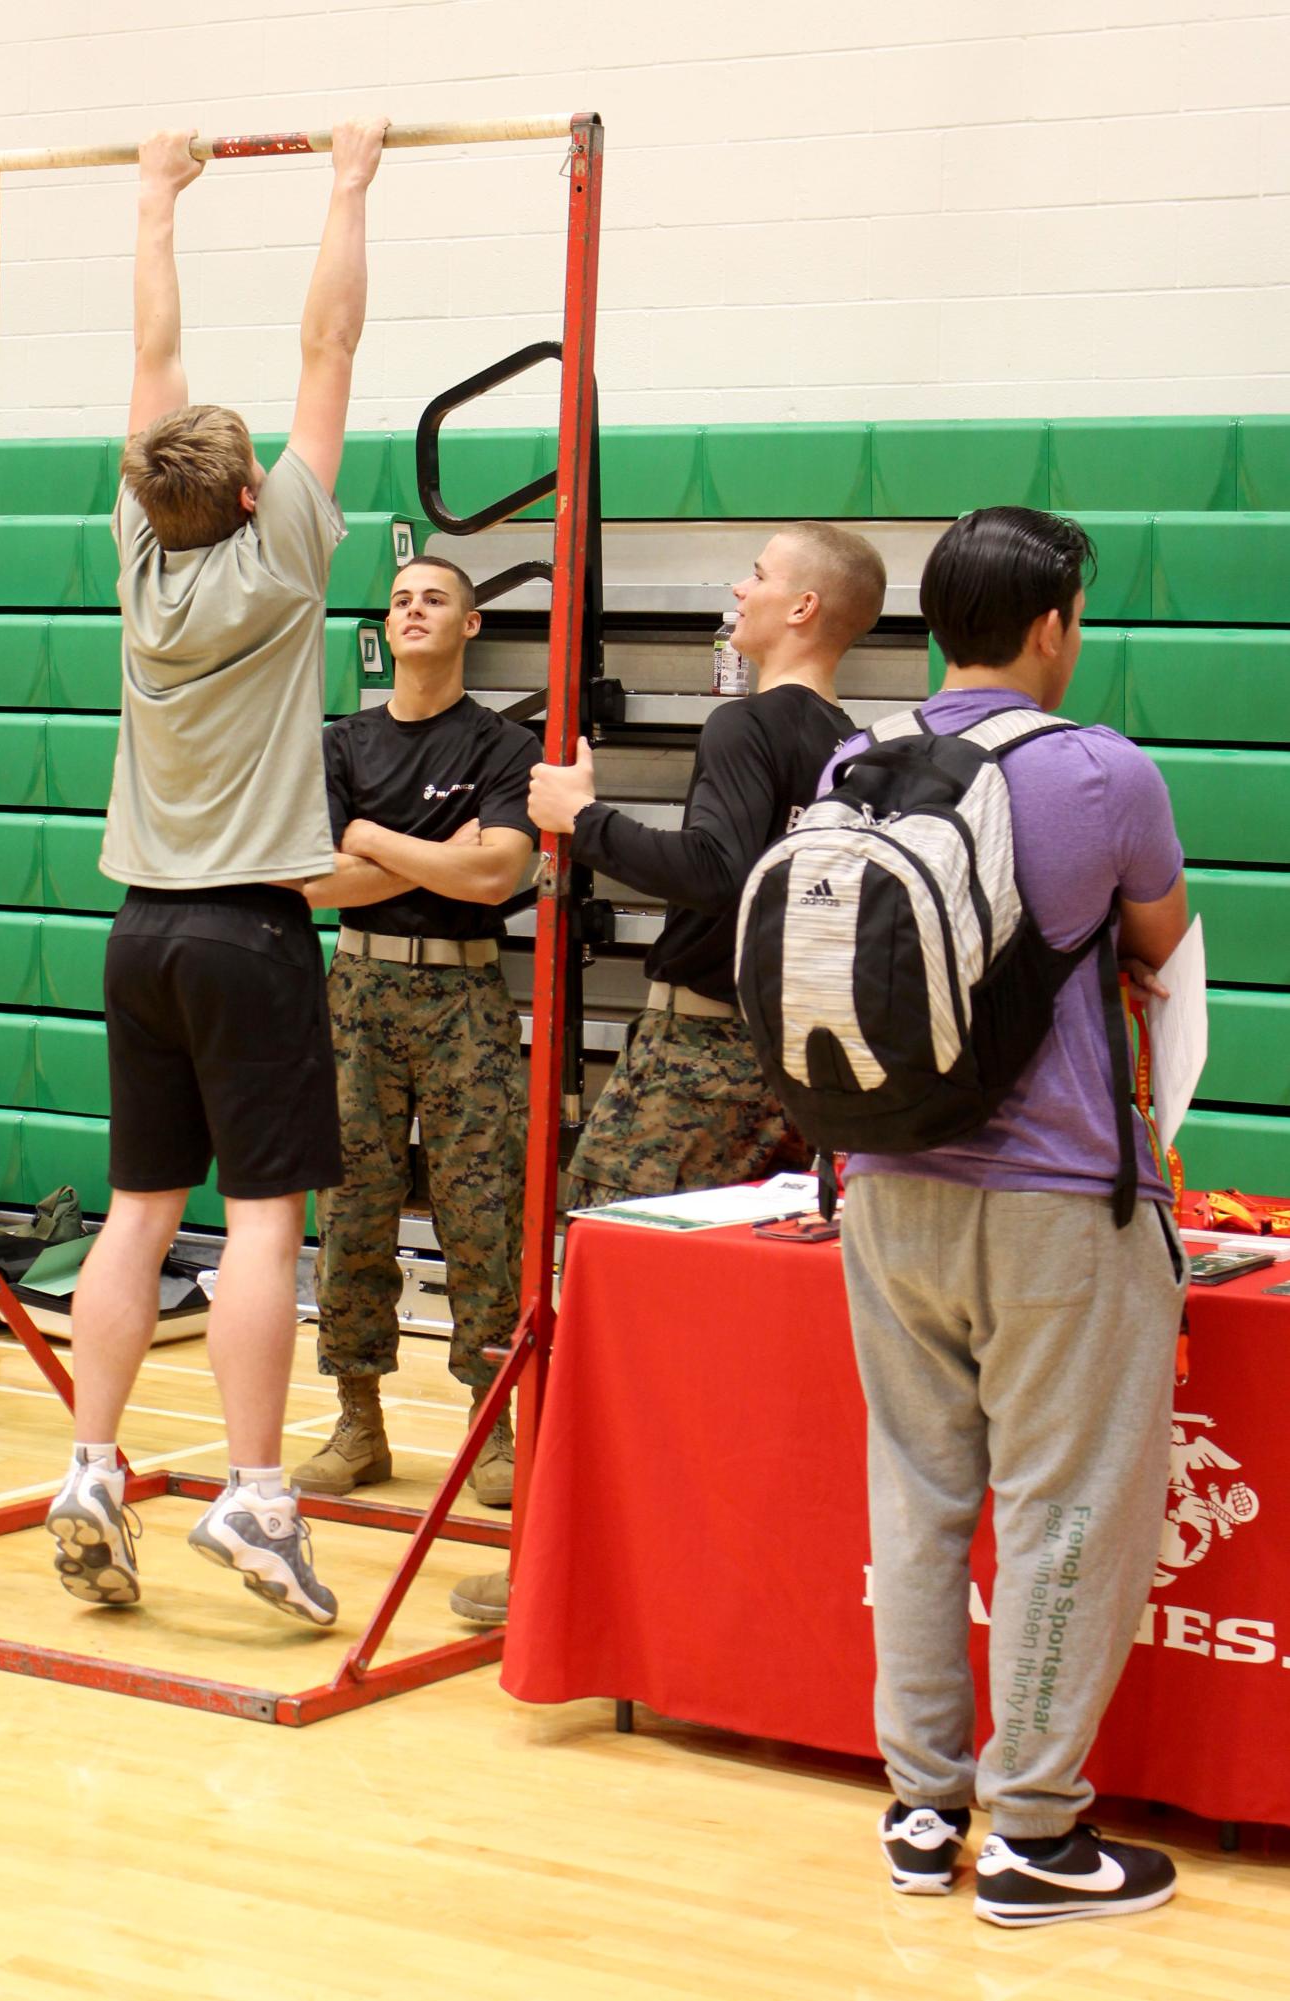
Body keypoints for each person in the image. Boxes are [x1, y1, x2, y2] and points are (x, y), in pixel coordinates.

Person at [45, 119, 389, 1629]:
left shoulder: (141, 553)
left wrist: (155, 200)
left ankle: (89, 1471)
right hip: (248, 934)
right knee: (260, 1223)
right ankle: (256, 1499)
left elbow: (152, 362)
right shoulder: (285, 552)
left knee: (136, 1209)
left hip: (139, 933)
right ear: (252, 493)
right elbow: (329, 338)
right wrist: (349, 179)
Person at [836, 508, 1189, 1924]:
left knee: (916, 1502)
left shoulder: (854, 760)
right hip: (1055, 1204)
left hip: (884, 1190)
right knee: (1065, 1510)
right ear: (1053, 626)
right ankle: (1037, 1836)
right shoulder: (1103, 772)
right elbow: (1160, 945)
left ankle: (924, 1813)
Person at [448, 521, 887, 1624]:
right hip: (795, 1060)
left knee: (586, 1276)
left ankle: (556, 1565)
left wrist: (576, 819)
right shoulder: (849, 744)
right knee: (733, 1310)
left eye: (755, 574)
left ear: (801, 610)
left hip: (700, 1053)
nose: (733, 589)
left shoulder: (747, 723)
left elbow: (716, 874)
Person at [291, 556, 539, 1513]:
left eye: (435, 597)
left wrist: (376, 843)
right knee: (351, 1210)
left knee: (483, 1220)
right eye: (400, 600)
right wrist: (447, 854)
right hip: (353, 988)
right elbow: (311, 883)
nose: (413, 610)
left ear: (470, 624)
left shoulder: (504, 745)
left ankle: (493, 1429)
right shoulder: (341, 743)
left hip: (464, 998)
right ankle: (359, 1423)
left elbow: (496, 880)